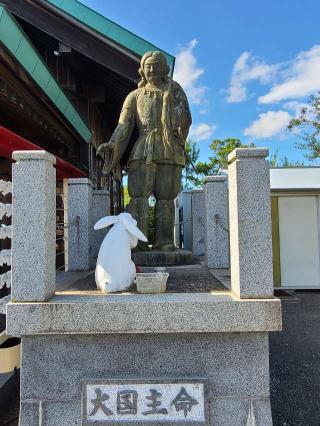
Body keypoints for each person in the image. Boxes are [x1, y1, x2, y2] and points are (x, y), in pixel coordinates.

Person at [97, 51, 191, 251]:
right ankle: (137, 242)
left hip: (169, 148)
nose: (151, 69)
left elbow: (186, 121)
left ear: (165, 69)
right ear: (142, 69)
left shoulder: (175, 91)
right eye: (148, 66)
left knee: (167, 197)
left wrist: (172, 104)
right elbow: (124, 125)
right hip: (143, 149)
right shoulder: (135, 96)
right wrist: (113, 144)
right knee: (138, 196)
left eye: (156, 65)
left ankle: (164, 242)